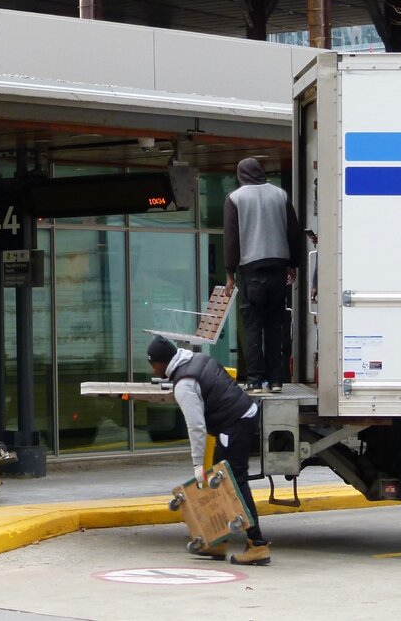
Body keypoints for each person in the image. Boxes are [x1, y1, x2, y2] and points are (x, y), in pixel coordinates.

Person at [148, 335, 270, 565]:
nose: (153, 369)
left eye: (153, 364)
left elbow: (196, 427)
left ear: (163, 362)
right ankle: (218, 540)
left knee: (234, 482)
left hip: (235, 423)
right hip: (239, 415)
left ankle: (257, 544)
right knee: (220, 479)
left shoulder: (184, 384)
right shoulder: (196, 359)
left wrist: (197, 463)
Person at [223, 157, 301, 393]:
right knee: (275, 324)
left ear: (241, 175)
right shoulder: (280, 195)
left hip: (251, 270)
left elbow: (231, 239)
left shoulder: (235, 198)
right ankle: (276, 380)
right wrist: (293, 264)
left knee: (253, 325)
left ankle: (255, 381)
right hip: (278, 268)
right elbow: (293, 231)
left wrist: (230, 274)